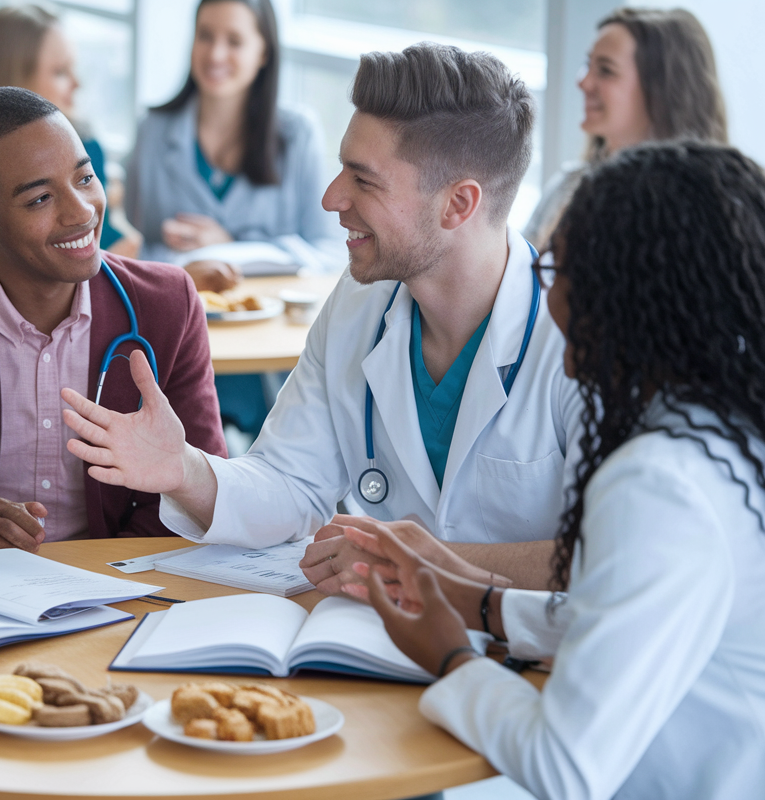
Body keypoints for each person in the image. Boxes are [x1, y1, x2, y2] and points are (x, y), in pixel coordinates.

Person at [63, 44, 581, 592]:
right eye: (341, 170)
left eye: (364, 180)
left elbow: (618, 558)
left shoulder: (583, 336)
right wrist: (183, 469)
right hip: (374, 645)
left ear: (458, 205)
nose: (332, 198)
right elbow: (290, 483)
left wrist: (425, 562)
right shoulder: (360, 303)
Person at [355, 141, 765, 800]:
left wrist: (449, 654)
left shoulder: (661, 484)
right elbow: (632, 626)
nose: (547, 293)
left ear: (631, 292)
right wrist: (475, 601)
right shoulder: (728, 440)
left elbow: (564, 767)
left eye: (557, 267)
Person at [0, 87, 226, 566]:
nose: (81, 211)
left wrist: (95, 578)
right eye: (40, 199)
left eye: (85, 178)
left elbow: (201, 493)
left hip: (125, 587)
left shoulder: (167, 305)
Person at [125, 0, 341, 280]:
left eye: (235, 41)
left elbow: (328, 252)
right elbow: (134, 247)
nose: (215, 54)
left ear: (263, 52)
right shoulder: (152, 129)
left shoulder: (298, 134)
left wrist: (229, 249)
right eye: (205, 36)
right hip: (180, 308)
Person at [523, 6, 726, 252]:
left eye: (606, 70)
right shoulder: (568, 185)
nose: (583, 81)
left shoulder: (702, 216)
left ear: (662, 92)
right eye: (588, 64)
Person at [0, 4, 143, 260]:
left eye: (83, 180)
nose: (77, 83)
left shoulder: (86, 144)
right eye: (60, 72)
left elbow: (114, 241)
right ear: (14, 83)